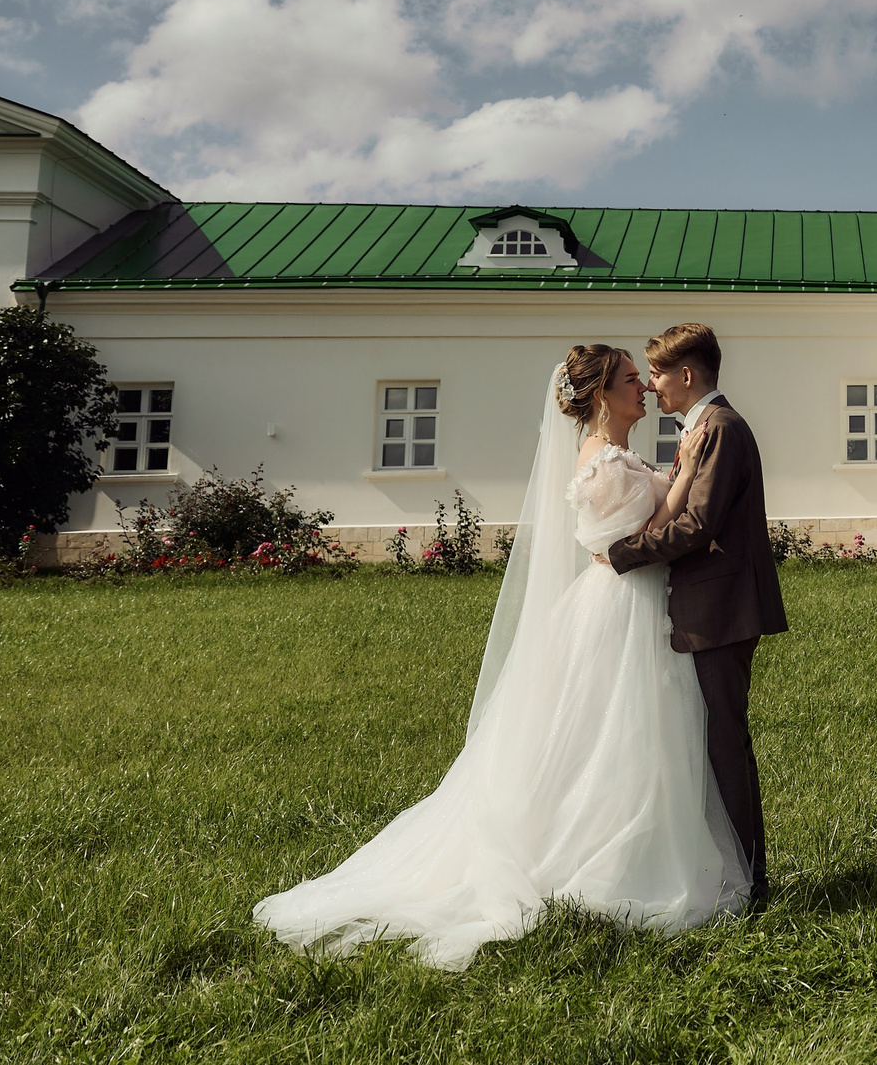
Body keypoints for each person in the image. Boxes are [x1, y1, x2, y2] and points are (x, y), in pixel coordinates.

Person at [252, 344, 749, 970]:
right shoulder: (602, 463)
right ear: (601, 394)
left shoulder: (618, 456)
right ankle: (603, 856)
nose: (645, 388)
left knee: (637, 731)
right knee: (617, 727)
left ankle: (646, 843)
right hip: (623, 604)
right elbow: (649, 531)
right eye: (631, 379)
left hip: (639, 600)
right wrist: (686, 470)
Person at [604, 323, 789, 905]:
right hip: (707, 606)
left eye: (656, 374)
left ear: (686, 375)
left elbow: (698, 525)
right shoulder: (702, 429)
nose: (651, 385)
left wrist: (622, 553)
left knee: (724, 744)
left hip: (721, 609)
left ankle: (751, 880)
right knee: (710, 741)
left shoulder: (723, 429)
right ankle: (727, 870)